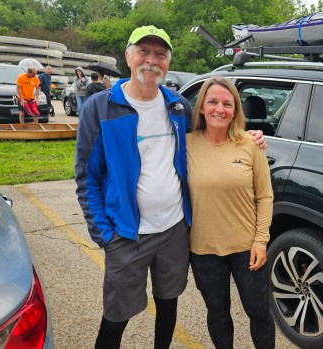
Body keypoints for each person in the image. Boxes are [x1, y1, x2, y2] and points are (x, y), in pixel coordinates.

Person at [75, 25, 266, 349]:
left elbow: (212, 134)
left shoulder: (177, 107)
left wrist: (250, 136)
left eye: (160, 54)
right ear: (128, 56)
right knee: (116, 315)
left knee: (168, 303)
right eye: (144, 51)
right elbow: (86, 177)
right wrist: (104, 234)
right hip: (125, 232)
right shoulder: (101, 108)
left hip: (175, 231)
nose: (152, 60)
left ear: (167, 62)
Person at [187, 76, 275, 349]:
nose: (219, 109)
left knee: (258, 311)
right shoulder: (185, 144)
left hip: (246, 248)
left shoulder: (250, 145)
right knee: (218, 313)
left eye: (227, 104)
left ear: (235, 110)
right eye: (212, 101)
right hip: (203, 251)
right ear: (201, 106)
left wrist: (261, 241)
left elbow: (265, 195)